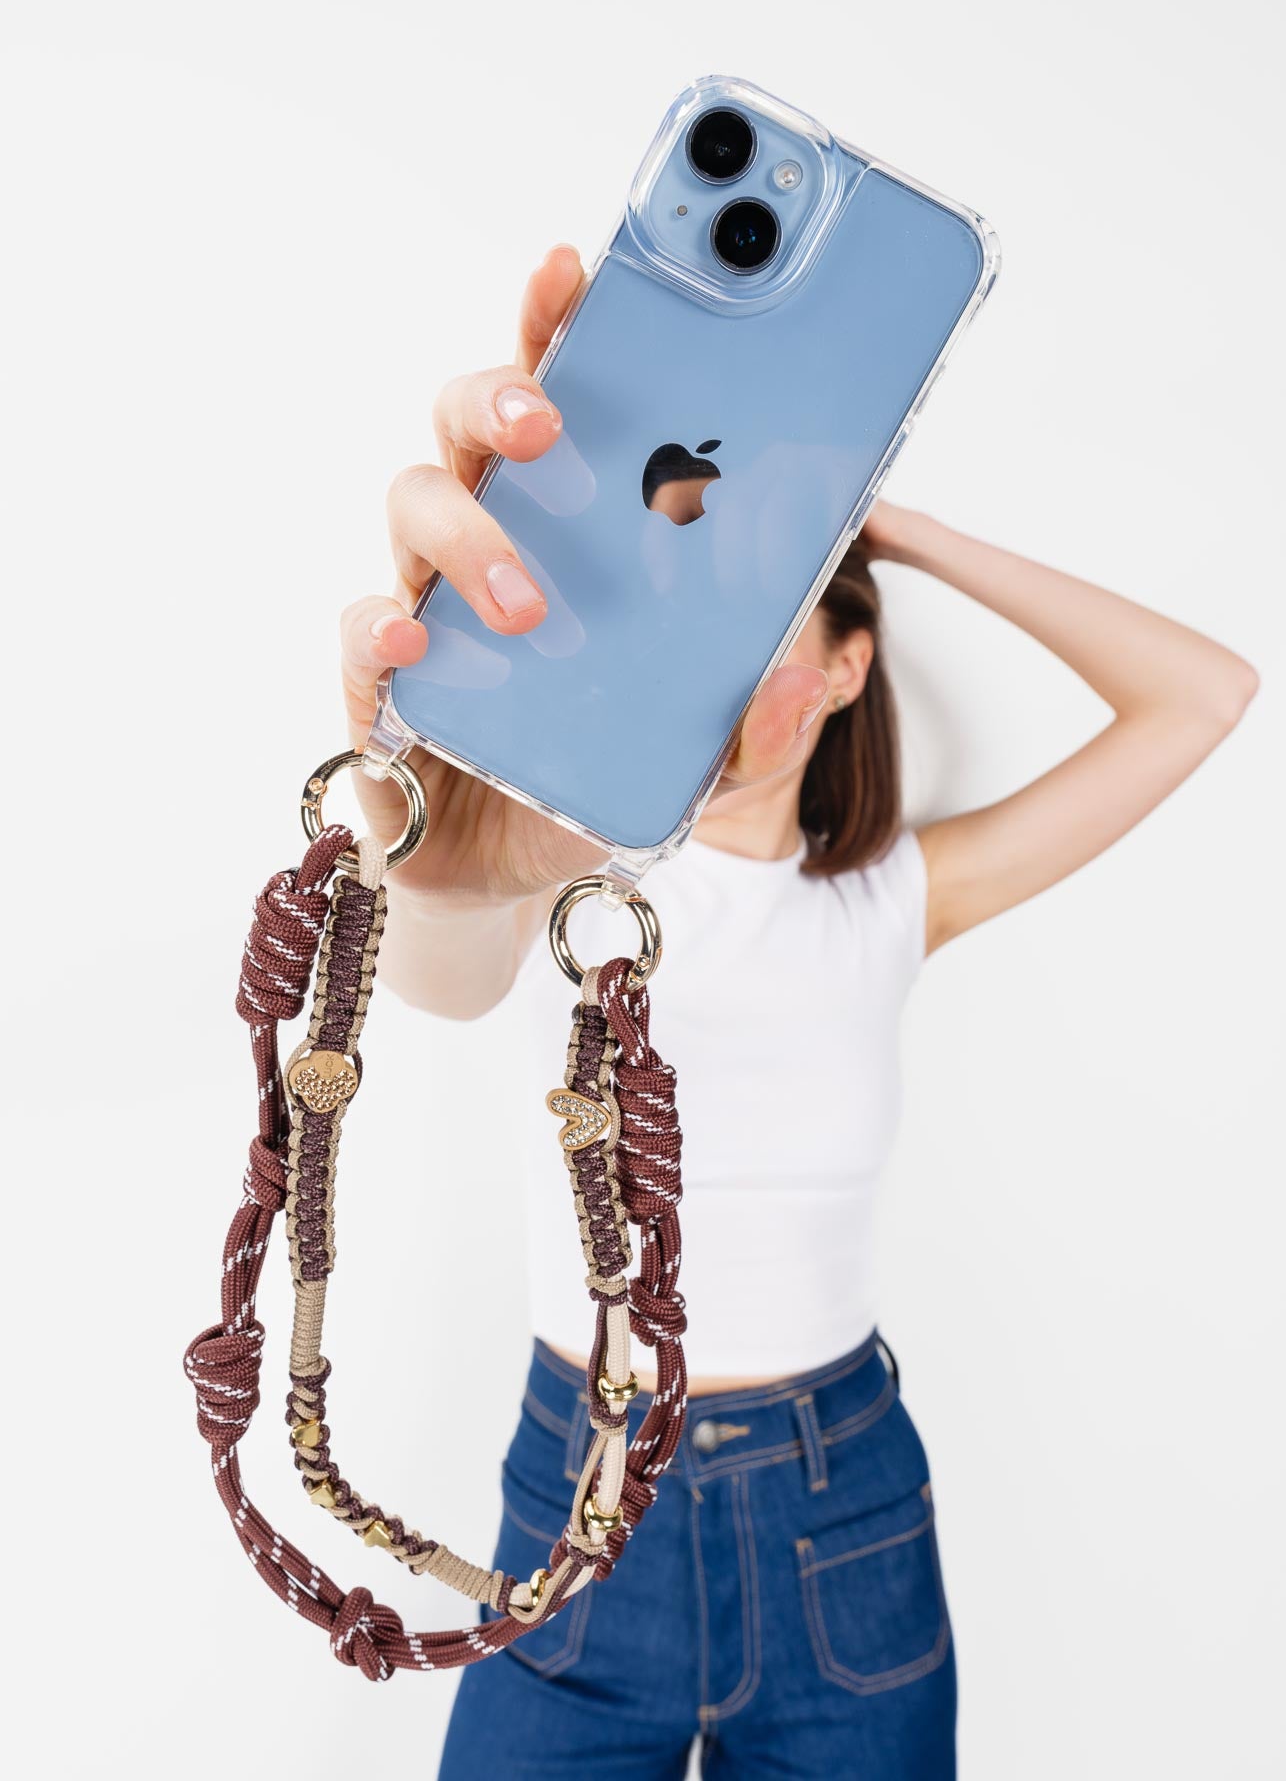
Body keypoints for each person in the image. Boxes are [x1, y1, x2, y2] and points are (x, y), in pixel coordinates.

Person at [339, 246, 1257, 1779]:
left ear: (844, 668)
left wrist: (888, 523)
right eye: (711, 628)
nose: (725, 685)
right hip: (576, 1485)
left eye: (774, 637)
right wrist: (432, 864)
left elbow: (1204, 693)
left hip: (837, 1508)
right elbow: (442, 975)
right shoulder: (567, 861)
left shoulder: (894, 898)